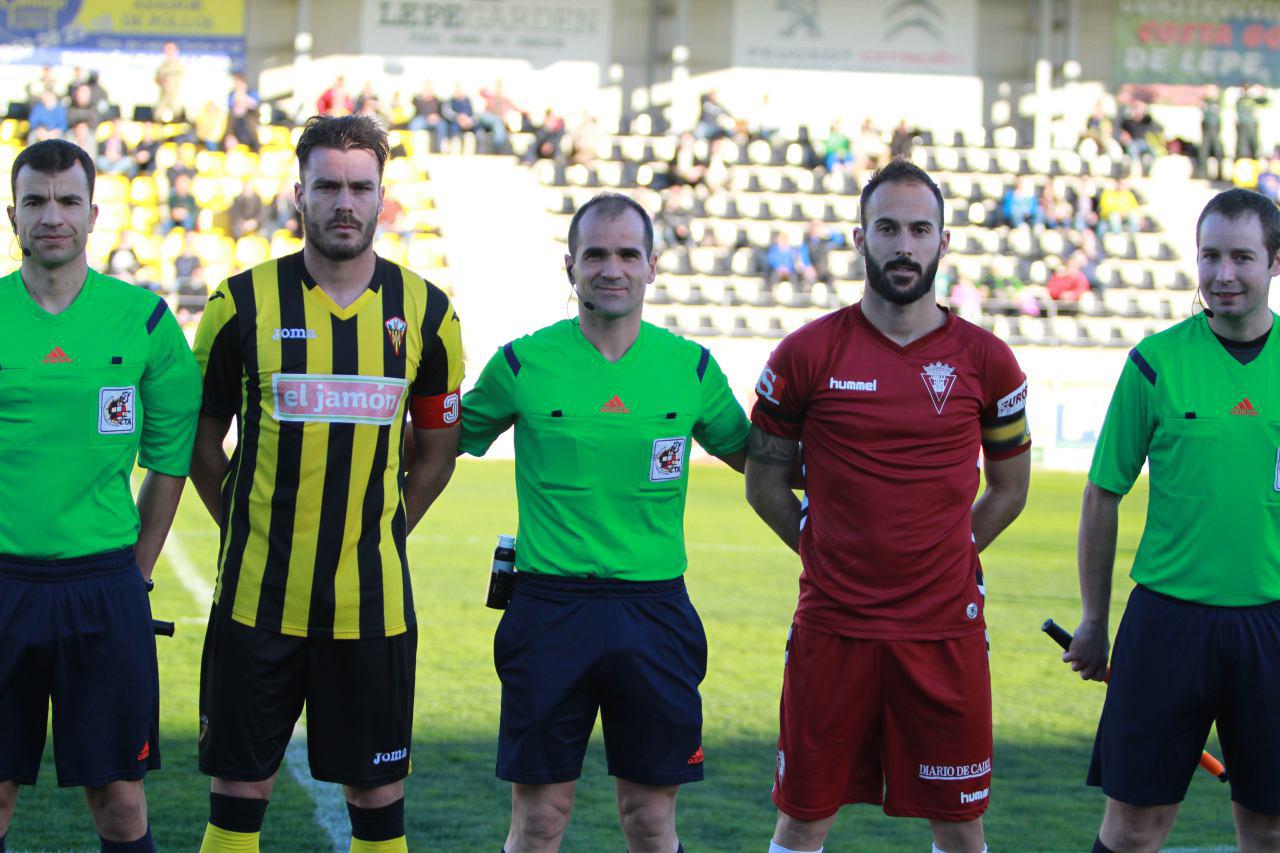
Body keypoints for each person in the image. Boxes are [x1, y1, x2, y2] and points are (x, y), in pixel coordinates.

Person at [188, 115, 463, 853]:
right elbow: (199, 439)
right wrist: (240, 522)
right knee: (238, 797)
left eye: (360, 187)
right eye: (328, 185)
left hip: (370, 605)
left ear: (382, 198)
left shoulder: (430, 315)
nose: (345, 201)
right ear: (299, 195)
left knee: (377, 800)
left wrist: (388, 524)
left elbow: (437, 449)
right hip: (256, 598)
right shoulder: (238, 304)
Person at [745, 159, 1031, 853]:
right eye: (888, 228)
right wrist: (826, 548)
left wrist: (950, 552)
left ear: (943, 242)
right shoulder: (806, 354)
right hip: (833, 625)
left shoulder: (987, 360)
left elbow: (1010, 487)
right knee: (804, 817)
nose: (904, 245)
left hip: (944, 631)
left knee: (960, 825)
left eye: (919, 230)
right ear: (859, 238)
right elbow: (765, 483)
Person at [459, 191, 750, 853]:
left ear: (652, 266)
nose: (611, 267)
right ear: (571, 266)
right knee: (539, 821)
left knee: (649, 821)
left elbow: (760, 461)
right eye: (596, 254)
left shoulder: (691, 368)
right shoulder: (521, 363)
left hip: (655, 612)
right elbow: (438, 443)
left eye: (627, 253)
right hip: (548, 609)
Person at [1063, 187, 1280, 853]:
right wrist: (1096, 621)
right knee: (1131, 830)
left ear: (1274, 262)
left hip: (1273, 623)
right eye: (1210, 255)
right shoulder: (1155, 362)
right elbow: (1103, 493)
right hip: (1166, 625)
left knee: (1269, 830)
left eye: (1242, 257)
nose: (1224, 274)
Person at [0, 139, 201, 852]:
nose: (51, 215)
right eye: (35, 201)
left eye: (67, 201)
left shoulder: (144, 321)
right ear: (12, 213)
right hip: (5, 583)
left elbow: (172, 458)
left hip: (103, 586)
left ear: (94, 213)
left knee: (118, 796)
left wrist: (136, 569)